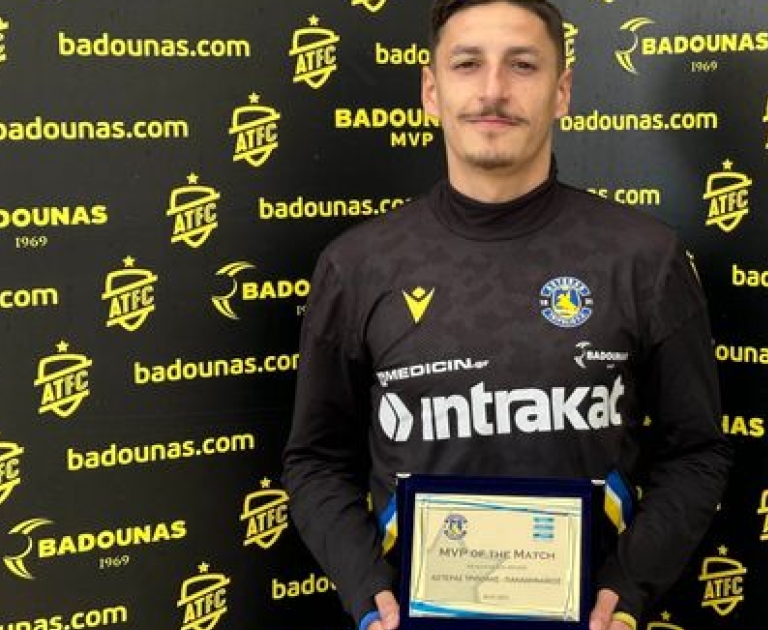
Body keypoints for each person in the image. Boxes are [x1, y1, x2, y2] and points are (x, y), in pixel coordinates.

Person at [281, 2, 732, 630]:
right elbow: (315, 460)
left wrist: (627, 589)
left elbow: (697, 453)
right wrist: (368, 594)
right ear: (431, 91)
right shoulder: (358, 265)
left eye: (522, 65)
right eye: (468, 64)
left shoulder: (643, 257)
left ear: (562, 91)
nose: (493, 90)